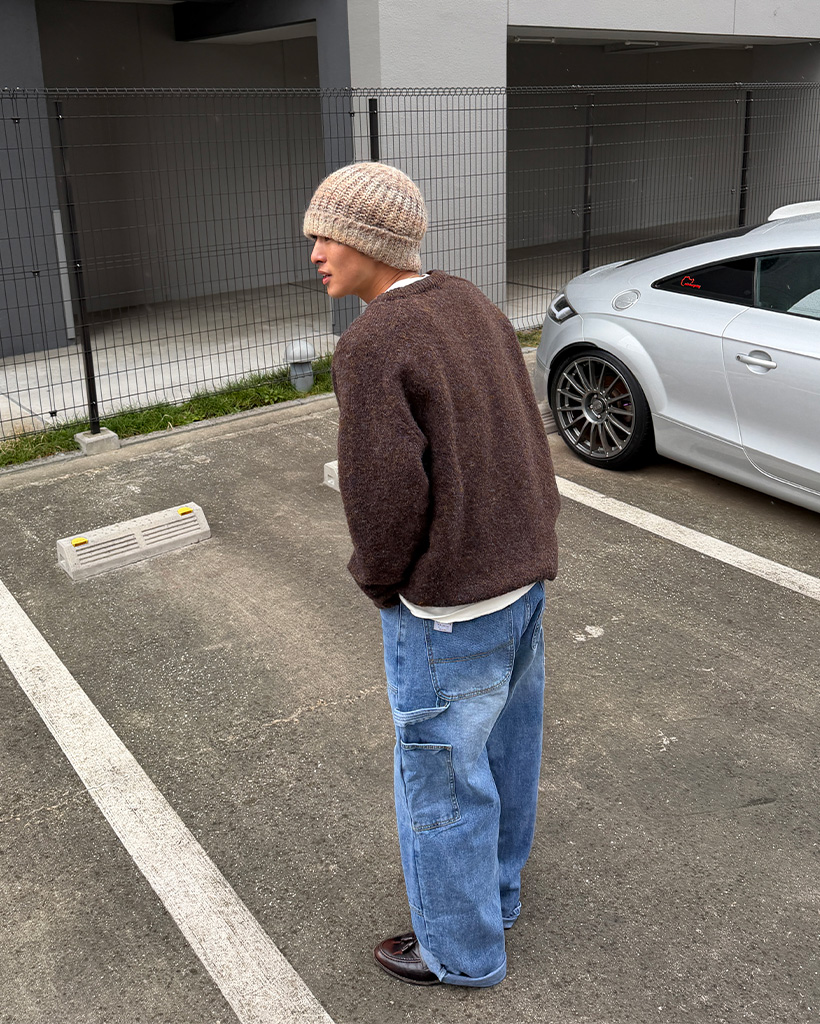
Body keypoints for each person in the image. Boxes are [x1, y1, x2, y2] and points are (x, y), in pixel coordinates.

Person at [303, 162, 560, 988]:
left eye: (327, 235)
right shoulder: (470, 302)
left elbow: (383, 495)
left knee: (443, 783)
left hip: (448, 610)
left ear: (370, 240)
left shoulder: (374, 342)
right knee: (507, 759)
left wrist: (383, 584)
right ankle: (499, 899)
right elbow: (523, 437)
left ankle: (461, 952)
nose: (315, 252)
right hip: (521, 587)